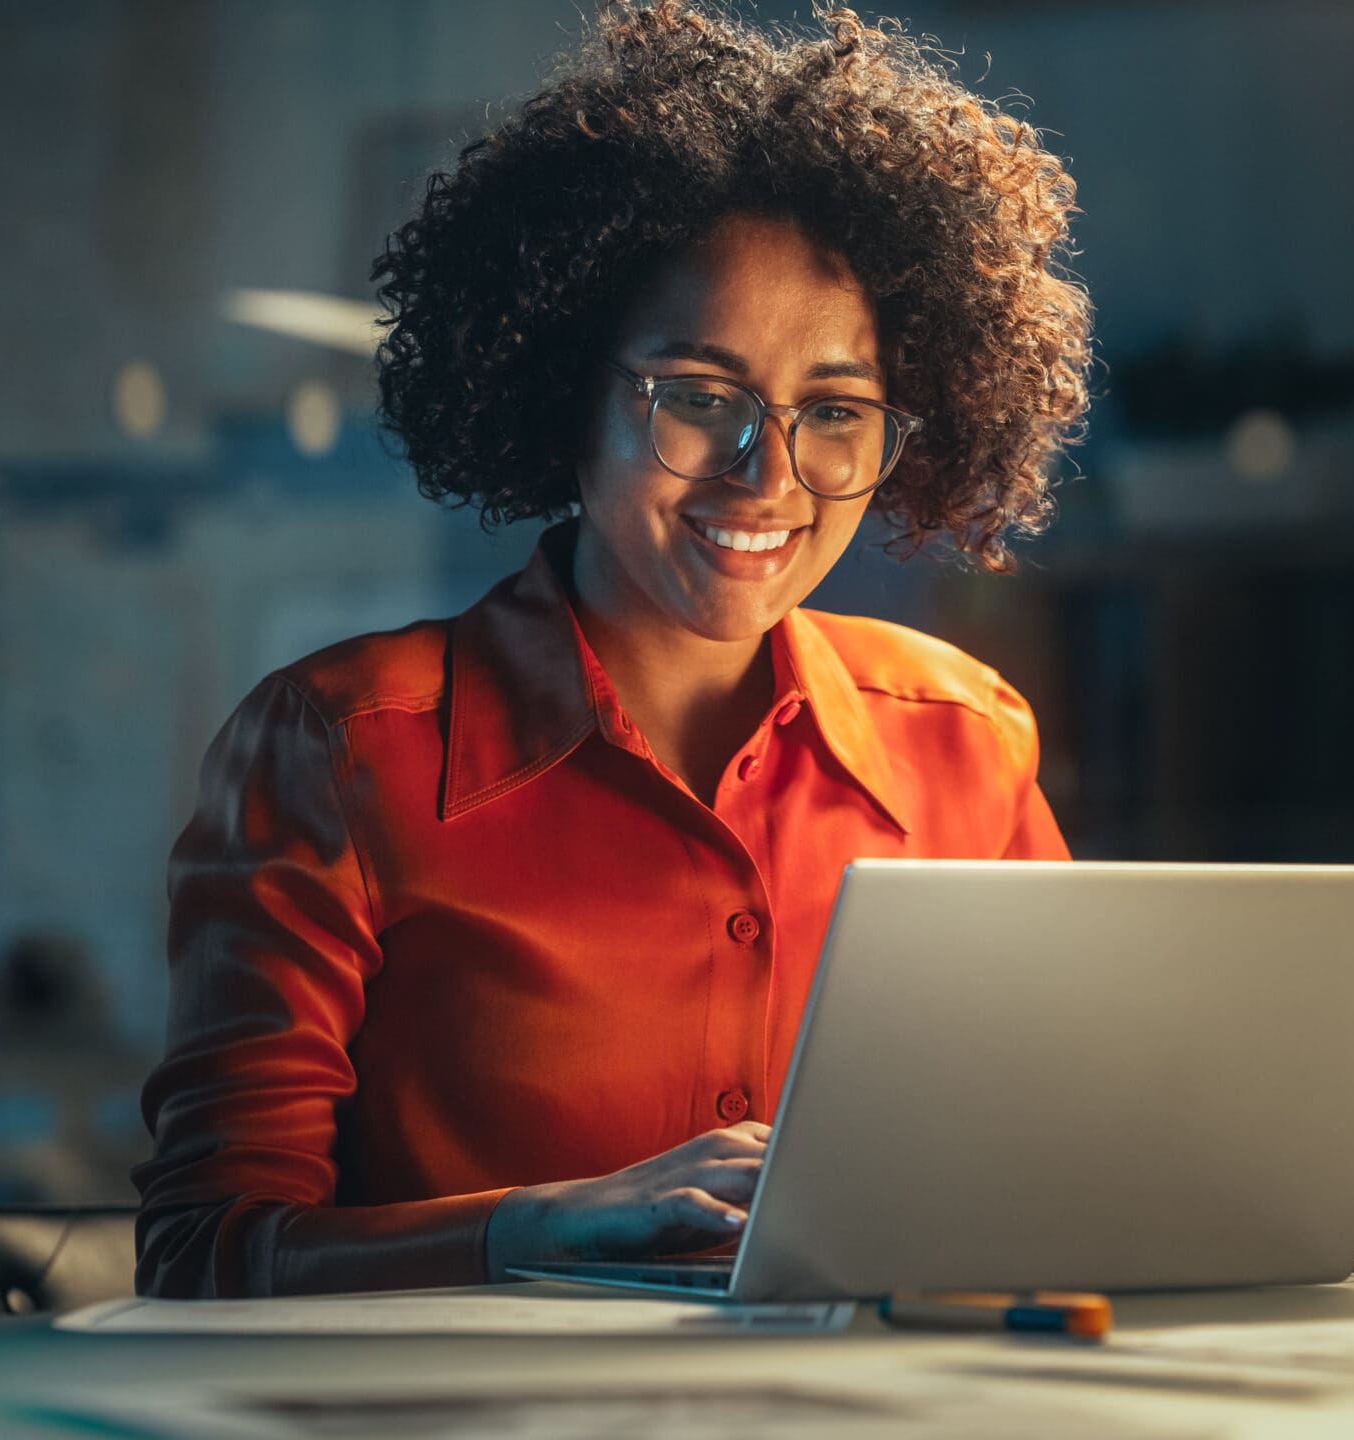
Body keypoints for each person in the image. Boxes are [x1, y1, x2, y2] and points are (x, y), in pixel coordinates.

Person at [133, 0, 1092, 1298]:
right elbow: (200, 1257)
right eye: (699, 399)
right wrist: (522, 1231)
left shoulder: (964, 744)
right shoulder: (338, 751)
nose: (768, 477)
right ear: (560, 392)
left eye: (838, 412)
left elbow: (1061, 1163)